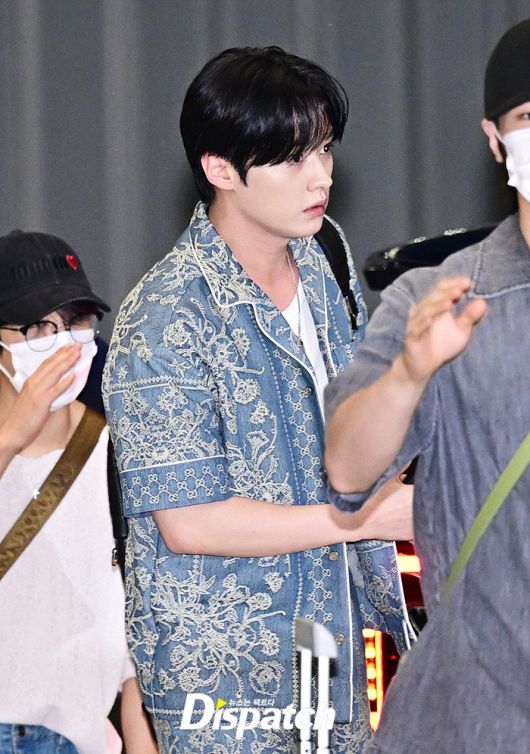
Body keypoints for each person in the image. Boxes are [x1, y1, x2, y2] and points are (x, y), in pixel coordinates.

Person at [103, 46, 414, 754]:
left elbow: (353, 424)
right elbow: (189, 522)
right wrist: (362, 520)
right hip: (222, 678)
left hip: (326, 643)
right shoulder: (165, 317)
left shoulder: (324, 255)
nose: (321, 175)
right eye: (293, 158)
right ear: (220, 169)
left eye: (325, 149)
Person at [324, 18, 530, 754]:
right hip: (477, 716)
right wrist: (411, 372)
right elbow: (346, 472)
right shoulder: (436, 298)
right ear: (495, 140)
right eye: (528, 116)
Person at [0, 230, 157, 754]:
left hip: (82, 735)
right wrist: (11, 437)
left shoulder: (117, 449)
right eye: (38, 327)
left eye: (76, 322)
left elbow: (137, 618)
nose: (64, 342)